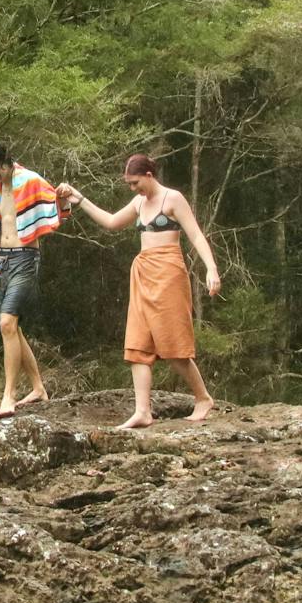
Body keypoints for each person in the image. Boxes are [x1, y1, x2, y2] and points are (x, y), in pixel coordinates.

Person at [59, 154, 220, 429]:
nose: (133, 188)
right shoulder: (138, 202)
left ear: (148, 174)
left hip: (169, 272)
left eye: (135, 182)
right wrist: (79, 198)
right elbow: (111, 222)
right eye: (129, 184)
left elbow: (195, 235)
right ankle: (143, 411)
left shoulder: (173, 198)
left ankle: (203, 398)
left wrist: (211, 269)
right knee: (138, 344)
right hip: (143, 272)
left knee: (173, 344)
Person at [0, 138, 68, 419]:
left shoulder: (30, 180)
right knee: (10, 327)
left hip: (25, 258)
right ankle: (38, 388)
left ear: (5, 162)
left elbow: (57, 205)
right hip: (0, 260)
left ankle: (8, 396)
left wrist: (62, 196)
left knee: (8, 323)